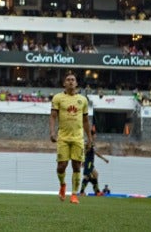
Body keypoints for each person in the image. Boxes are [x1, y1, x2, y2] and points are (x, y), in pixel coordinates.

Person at [49, 72, 93, 204]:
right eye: (68, 80)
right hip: (63, 137)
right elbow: (53, 116)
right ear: (64, 83)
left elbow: (85, 120)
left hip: (78, 138)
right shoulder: (58, 98)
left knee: (76, 166)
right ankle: (63, 185)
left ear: (76, 83)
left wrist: (89, 138)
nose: (70, 82)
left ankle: (74, 194)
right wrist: (52, 132)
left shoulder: (83, 100)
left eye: (73, 80)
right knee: (61, 166)